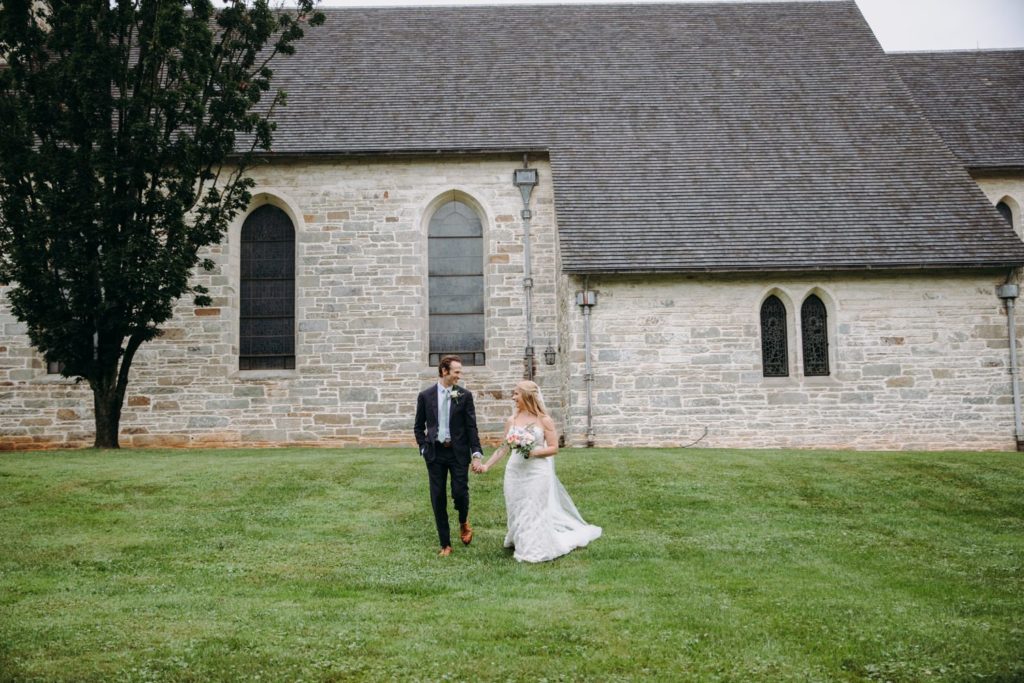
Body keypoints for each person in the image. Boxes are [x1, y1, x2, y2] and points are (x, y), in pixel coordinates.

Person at [472, 380, 601, 563]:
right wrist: (486, 466)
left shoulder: (544, 420)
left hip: (537, 471)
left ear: (527, 395)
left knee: (533, 508)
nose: (513, 397)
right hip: (515, 470)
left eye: (516, 393)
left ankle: (533, 548)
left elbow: (554, 448)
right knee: (516, 507)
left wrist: (534, 452)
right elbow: (503, 448)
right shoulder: (512, 420)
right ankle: (519, 538)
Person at [414, 355, 483, 557]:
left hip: (457, 452)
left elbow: (471, 427)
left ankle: (463, 521)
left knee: (460, 492)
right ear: (444, 371)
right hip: (435, 453)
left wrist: (476, 453)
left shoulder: (464, 395)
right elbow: (419, 427)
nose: (459, 376)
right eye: (457, 372)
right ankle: (445, 544)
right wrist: (423, 448)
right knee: (438, 498)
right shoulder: (425, 396)